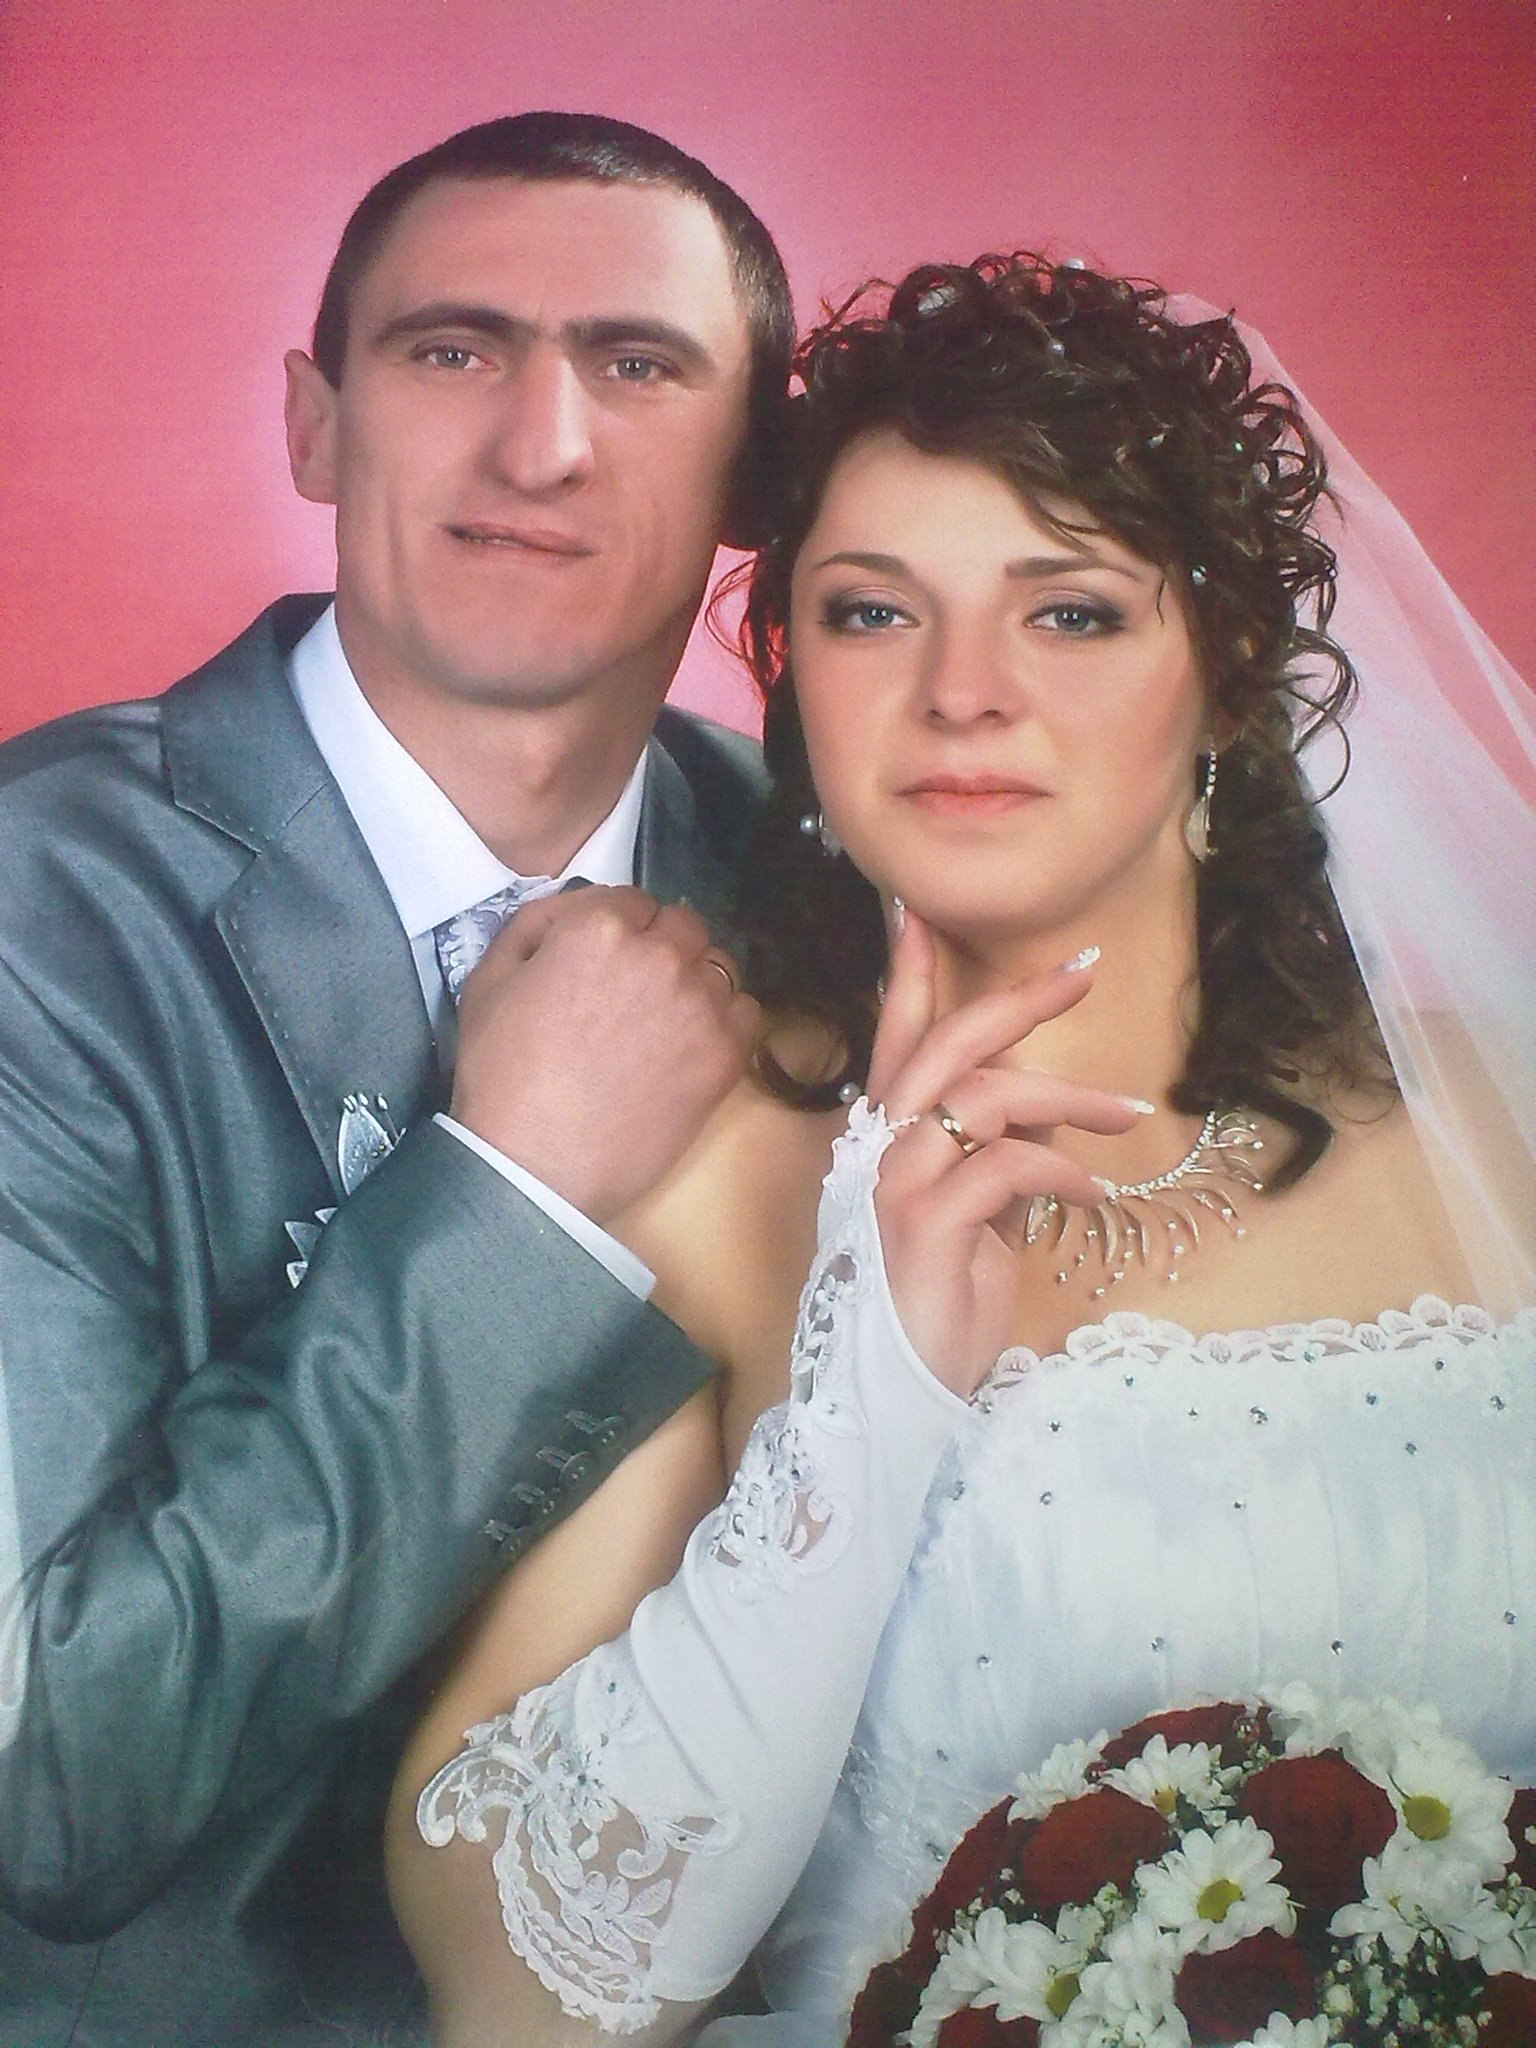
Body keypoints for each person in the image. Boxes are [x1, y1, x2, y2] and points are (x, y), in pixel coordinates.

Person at [383, 254, 1536, 2045]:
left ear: (1228, 680)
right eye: (872, 613)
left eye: (1069, 612)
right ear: (796, 693)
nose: (963, 693)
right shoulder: (708, 1172)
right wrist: (874, 1383)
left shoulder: (1497, 1119)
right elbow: (512, 1985)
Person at [0, 112, 793, 2045]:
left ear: (758, 470)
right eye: (453, 350)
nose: (542, 446)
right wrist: (511, 1192)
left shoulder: (841, 887)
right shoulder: (33, 902)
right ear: (314, 422)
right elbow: (47, 1775)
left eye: (637, 364)